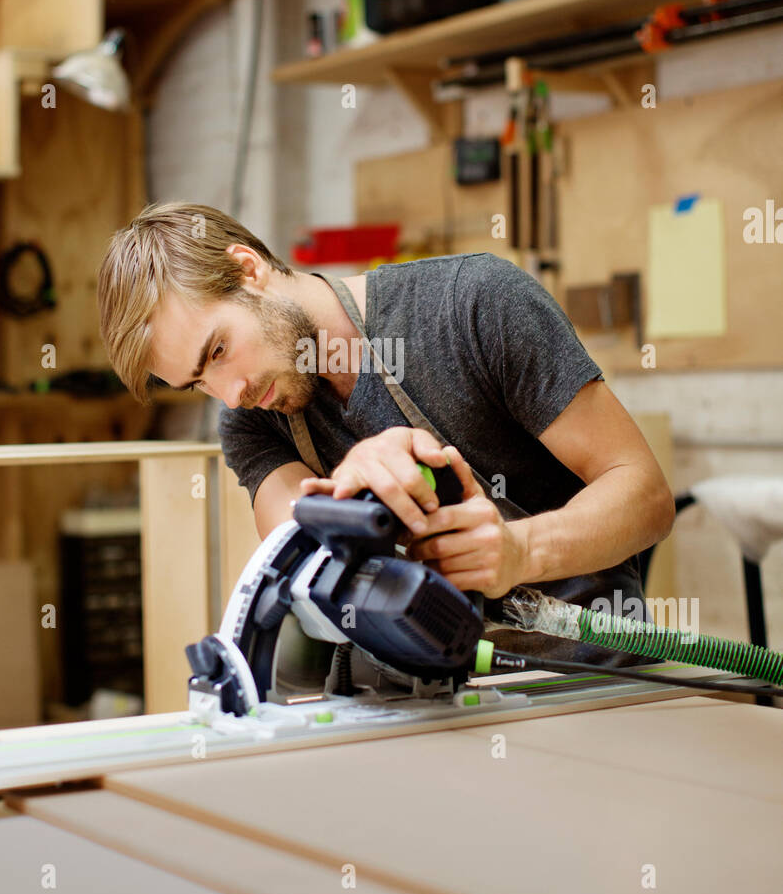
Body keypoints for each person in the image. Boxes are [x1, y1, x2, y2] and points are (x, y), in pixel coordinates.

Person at [97, 202, 674, 669]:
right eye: (199, 380)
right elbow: (298, 551)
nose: (229, 391)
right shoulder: (253, 414)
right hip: (416, 707)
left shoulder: (473, 303)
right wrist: (351, 489)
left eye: (218, 350)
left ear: (249, 269)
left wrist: (519, 551)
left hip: (590, 686)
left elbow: (645, 495)